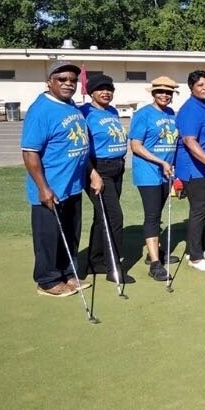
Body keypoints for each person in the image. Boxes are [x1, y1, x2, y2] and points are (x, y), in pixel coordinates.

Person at [21, 60, 100, 297]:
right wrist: (43, 187)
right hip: (50, 188)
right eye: (62, 79)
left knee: (70, 234)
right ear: (49, 82)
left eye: (73, 80)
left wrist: (92, 173)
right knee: (49, 237)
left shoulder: (72, 106)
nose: (68, 84)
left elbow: (80, 146)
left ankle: (68, 273)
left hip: (73, 185)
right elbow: (30, 152)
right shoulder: (41, 110)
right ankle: (47, 281)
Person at [80, 73, 133, 284]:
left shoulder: (111, 111)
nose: (106, 92)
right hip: (97, 169)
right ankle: (114, 268)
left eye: (109, 89)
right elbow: (82, 147)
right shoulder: (84, 112)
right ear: (91, 92)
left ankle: (95, 261)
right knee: (114, 218)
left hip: (116, 168)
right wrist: (93, 174)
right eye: (101, 89)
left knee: (100, 217)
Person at [129, 76, 181, 281]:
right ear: (153, 93)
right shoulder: (143, 114)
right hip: (148, 172)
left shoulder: (171, 114)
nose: (164, 95)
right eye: (160, 91)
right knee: (152, 215)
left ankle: (155, 252)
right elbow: (136, 145)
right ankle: (155, 263)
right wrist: (161, 162)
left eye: (168, 92)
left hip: (166, 173)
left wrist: (171, 164)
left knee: (157, 214)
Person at [175, 70, 205, 272]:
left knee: (201, 210)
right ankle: (195, 257)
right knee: (198, 211)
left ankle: (196, 248)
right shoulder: (191, 109)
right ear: (191, 88)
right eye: (201, 85)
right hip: (194, 169)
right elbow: (189, 140)